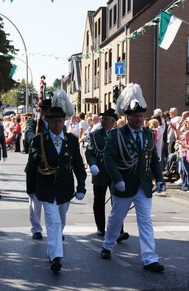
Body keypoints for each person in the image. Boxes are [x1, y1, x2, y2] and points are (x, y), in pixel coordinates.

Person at [100, 83, 165, 273]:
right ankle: (108, 244)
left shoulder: (148, 134)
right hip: (124, 184)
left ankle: (150, 258)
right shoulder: (117, 134)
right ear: (127, 117)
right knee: (116, 218)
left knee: (145, 221)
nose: (139, 119)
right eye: (135, 116)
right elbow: (109, 158)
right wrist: (117, 179)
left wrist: (159, 178)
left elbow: (154, 158)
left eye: (141, 116)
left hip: (143, 185)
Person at [25, 92, 86, 273]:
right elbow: (31, 166)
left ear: (64, 121)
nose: (57, 124)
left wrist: (81, 187)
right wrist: (31, 190)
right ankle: (56, 257)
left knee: (61, 221)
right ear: (48, 121)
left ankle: (54, 248)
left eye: (60, 121)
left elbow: (78, 167)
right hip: (45, 188)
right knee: (53, 222)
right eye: (53, 121)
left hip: (65, 189)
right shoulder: (39, 140)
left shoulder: (72, 141)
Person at [85, 108, 129, 241]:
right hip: (100, 172)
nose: (103, 121)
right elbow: (90, 151)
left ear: (114, 121)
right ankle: (100, 227)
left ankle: (119, 230)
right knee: (99, 201)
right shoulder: (95, 134)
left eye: (106, 119)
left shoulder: (120, 135)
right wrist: (92, 164)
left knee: (117, 203)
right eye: (102, 118)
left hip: (116, 174)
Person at [24, 98, 52, 239]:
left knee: (52, 201)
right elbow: (28, 134)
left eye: (49, 109)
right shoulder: (33, 122)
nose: (46, 112)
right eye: (44, 110)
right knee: (35, 200)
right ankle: (36, 228)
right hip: (35, 166)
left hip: (51, 168)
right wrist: (38, 138)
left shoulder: (57, 125)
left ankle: (54, 228)